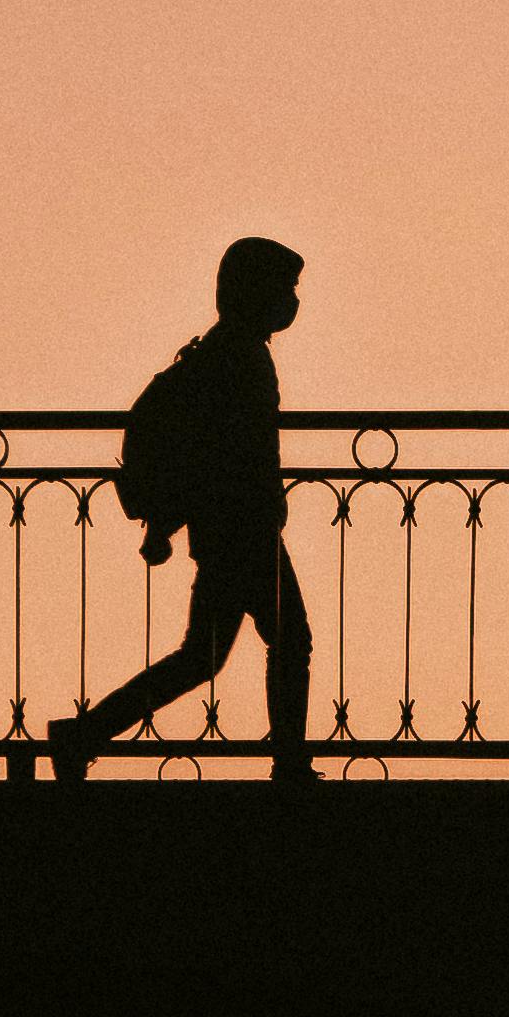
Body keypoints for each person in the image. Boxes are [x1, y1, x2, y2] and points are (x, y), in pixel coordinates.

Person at [71, 238, 319, 777]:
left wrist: (167, 522)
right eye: (287, 287)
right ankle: (289, 764)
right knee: (289, 640)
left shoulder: (219, 350)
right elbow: (235, 448)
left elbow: (196, 446)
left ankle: (82, 734)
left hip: (223, 525)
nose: (293, 300)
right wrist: (261, 510)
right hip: (243, 527)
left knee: (200, 657)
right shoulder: (243, 357)